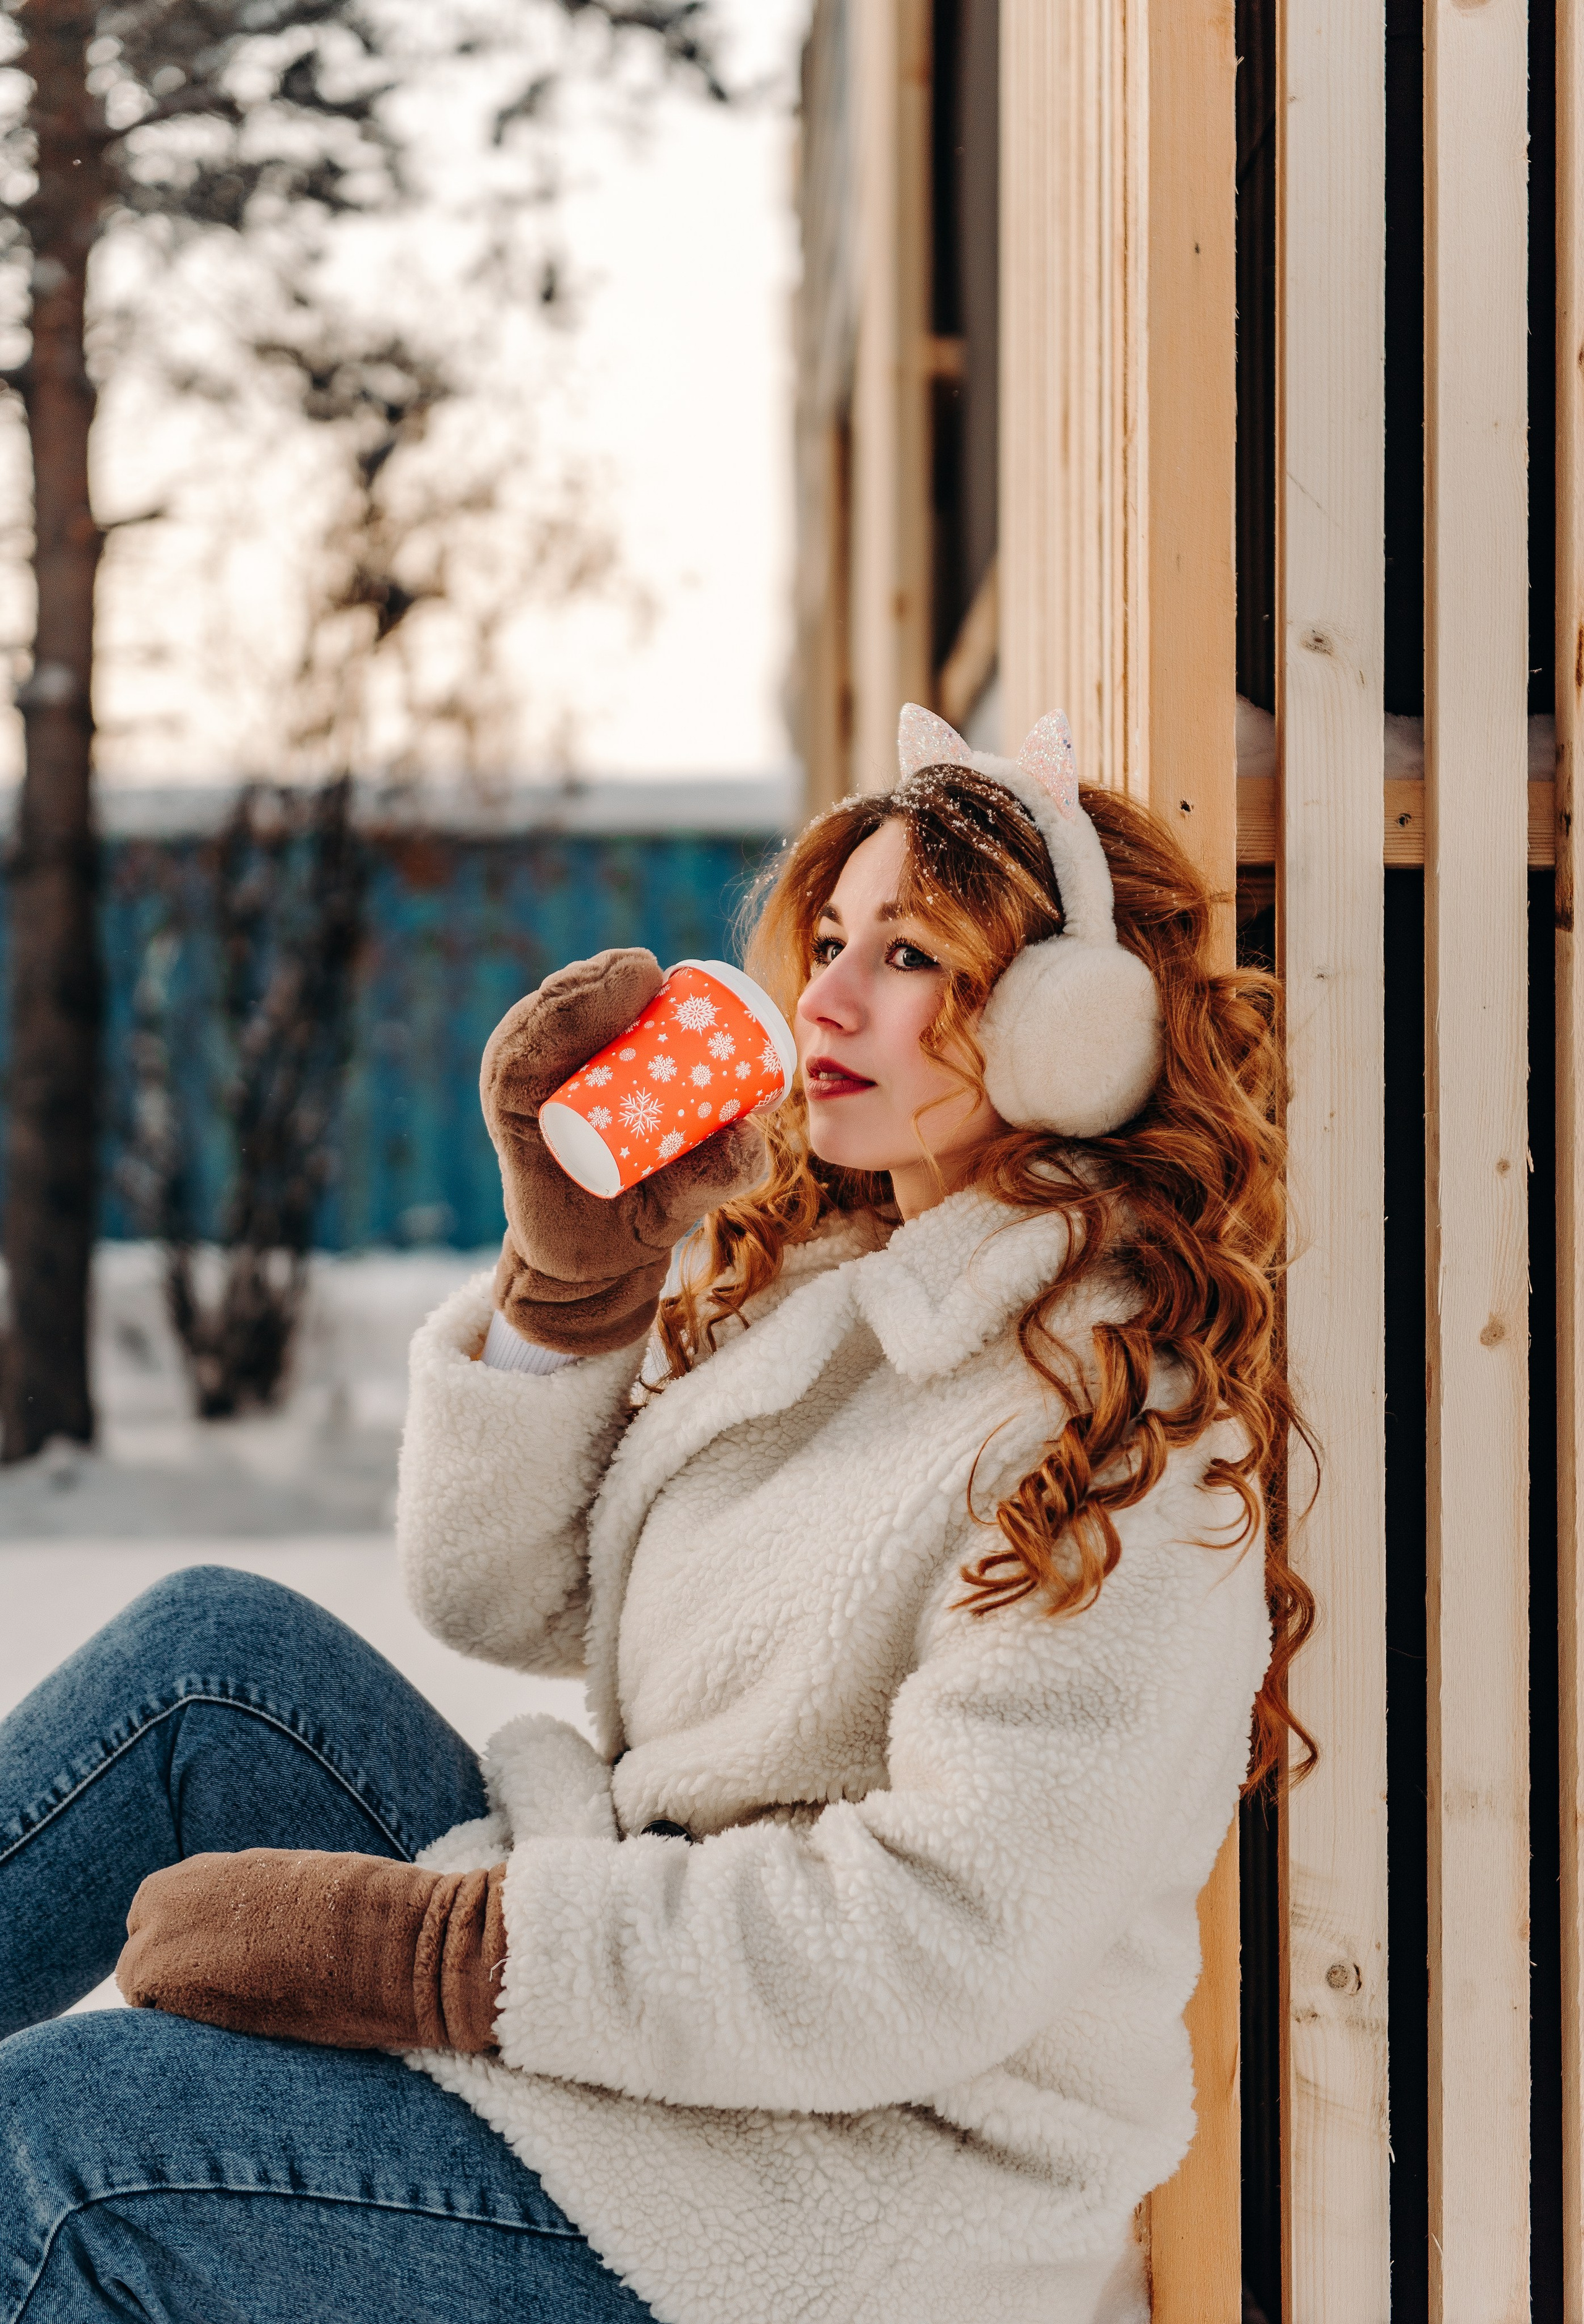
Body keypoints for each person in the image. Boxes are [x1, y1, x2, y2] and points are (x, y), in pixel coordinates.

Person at [0, 706, 1313, 2324]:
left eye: (905, 955)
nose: (821, 998)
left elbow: (937, 1941)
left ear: (1069, 1024)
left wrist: (432, 1956)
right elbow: (498, 1596)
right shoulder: (843, 1305)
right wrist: (570, 1285)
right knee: (213, 1661)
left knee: (61, 2146)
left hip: (836, 2197)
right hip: (663, 2035)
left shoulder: (1124, 1430)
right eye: (828, 939)